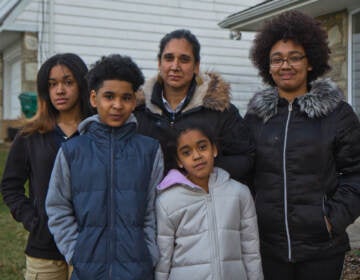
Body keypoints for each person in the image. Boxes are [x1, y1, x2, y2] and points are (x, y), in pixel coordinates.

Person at [244, 10, 360, 280]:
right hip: (268, 249)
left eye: (295, 57)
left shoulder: (337, 114)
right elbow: (246, 174)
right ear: (267, 66)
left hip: (322, 249)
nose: (286, 66)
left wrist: (332, 219)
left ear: (310, 62)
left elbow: (356, 174)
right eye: (277, 59)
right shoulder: (255, 117)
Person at [46, 54, 164, 280]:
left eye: (126, 97)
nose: (117, 105)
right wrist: (75, 252)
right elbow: (57, 207)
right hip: (87, 271)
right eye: (109, 96)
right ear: (93, 98)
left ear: (134, 100)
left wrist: (149, 252)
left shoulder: (149, 151)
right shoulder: (72, 151)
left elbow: (155, 211)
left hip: (137, 270)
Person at [0, 53, 93, 280]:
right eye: (52, 84)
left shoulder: (95, 132)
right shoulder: (31, 135)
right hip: (44, 250)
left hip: (89, 247)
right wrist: (33, 220)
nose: (60, 90)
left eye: (68, 82)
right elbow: (10, 186)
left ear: (82, 85)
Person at [134, 29, 254, 183]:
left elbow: (245, 158)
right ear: (159, 63)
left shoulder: (220, 109)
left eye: (184, 59)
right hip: (152, 204)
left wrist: (200, 172)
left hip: (203, 202)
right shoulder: (138, 110)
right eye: (169, 58)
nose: (175, 66)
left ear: (196, 66)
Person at [155, 123, 263, 280]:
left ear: (214, 149)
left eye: (202, 147)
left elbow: (251, 251)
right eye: (186, 152)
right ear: (179, 161)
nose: (197, 156)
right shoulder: (167, 201)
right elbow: (163, 259)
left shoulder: (239, 193)